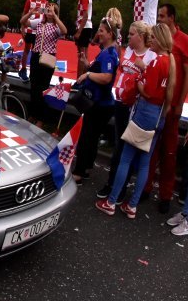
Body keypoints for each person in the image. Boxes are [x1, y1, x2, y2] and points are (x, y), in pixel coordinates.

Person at [96, 23, 173, 219]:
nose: (151, 41)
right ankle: (132, 205)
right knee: (145, 163)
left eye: (154, 38)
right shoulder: (168, 62)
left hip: (145, 112)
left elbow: (149, 91)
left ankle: (112, 201)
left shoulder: (157, 62)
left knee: (126, 158)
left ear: (160, 40)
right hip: (157, 115)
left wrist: (138, 82)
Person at [94, 21, 155, 199]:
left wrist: (142, 69)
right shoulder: (127, 51)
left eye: (132, 34)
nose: (128, 37)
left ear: (141, 37)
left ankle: (120, 190)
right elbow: (121, 71)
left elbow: (151, 83)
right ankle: (112, 183)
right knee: (119, 145)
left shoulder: (150, 56)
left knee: (128, 148)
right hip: (120, 103)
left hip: (136, 108)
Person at [144, 4, 188, 214]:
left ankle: (166, 195)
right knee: (150, 150)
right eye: (158, 15)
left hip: (171, 108)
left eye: (162, 16)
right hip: (155, 105)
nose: (159, 19)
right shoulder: (157, 39)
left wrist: (179, 103)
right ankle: (145, 186)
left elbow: (186, 75)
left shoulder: (184, 40)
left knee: (169, 153)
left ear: (172, 17)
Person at [72, 16, 120, 184]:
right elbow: (100, 71)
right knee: (90, 137)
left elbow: (106, 77)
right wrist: (87, 64)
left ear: (110, 34)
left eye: (101, 31)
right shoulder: (106, 51)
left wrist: (88, 73)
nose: (98, 33)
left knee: (87, 137)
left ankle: (79, 171)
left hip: (101, 104)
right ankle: (85, 169)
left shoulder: (109, 53)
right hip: (101, 102)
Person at [24, 2, 67, 127]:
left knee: (43, 88)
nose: (49, 13)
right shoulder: (39, 23)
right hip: (36, 56)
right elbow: (23, 22)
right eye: (47, 10)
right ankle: (33, 114)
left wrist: (55, 16)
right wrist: (30, 13)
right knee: (34, 86)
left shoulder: (56, 26)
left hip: (48, 57)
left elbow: (64, 31)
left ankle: (41, 118)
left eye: (51, 11)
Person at [18, 0, 48, 82]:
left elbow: (46, 17)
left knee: (36, 53)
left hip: (39, 31)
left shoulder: (45, 2)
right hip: (29, 29)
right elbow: (24, 14)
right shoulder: (29, 1)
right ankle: (23, 70)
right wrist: (22, 28)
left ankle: (33, 72)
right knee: (26, 50)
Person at [74, 0, 93, 77]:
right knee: (84, 55)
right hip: (86, 26)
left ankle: (79, 80)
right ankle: (84, 78)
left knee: (81, 55)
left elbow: (85, 16)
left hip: (84, 27)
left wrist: (79, 31)